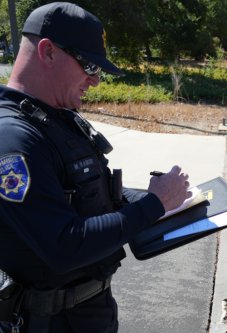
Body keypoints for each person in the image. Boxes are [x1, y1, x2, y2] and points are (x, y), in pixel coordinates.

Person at [0, 3, 190, 332]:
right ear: (47, 52)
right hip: (50, 322)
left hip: (90, 310)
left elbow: (94, 196)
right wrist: (152, 205)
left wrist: (170, 200)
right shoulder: (13, 137)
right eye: (89, 66)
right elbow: (63, 245)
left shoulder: (57, 118)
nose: (96, 81)